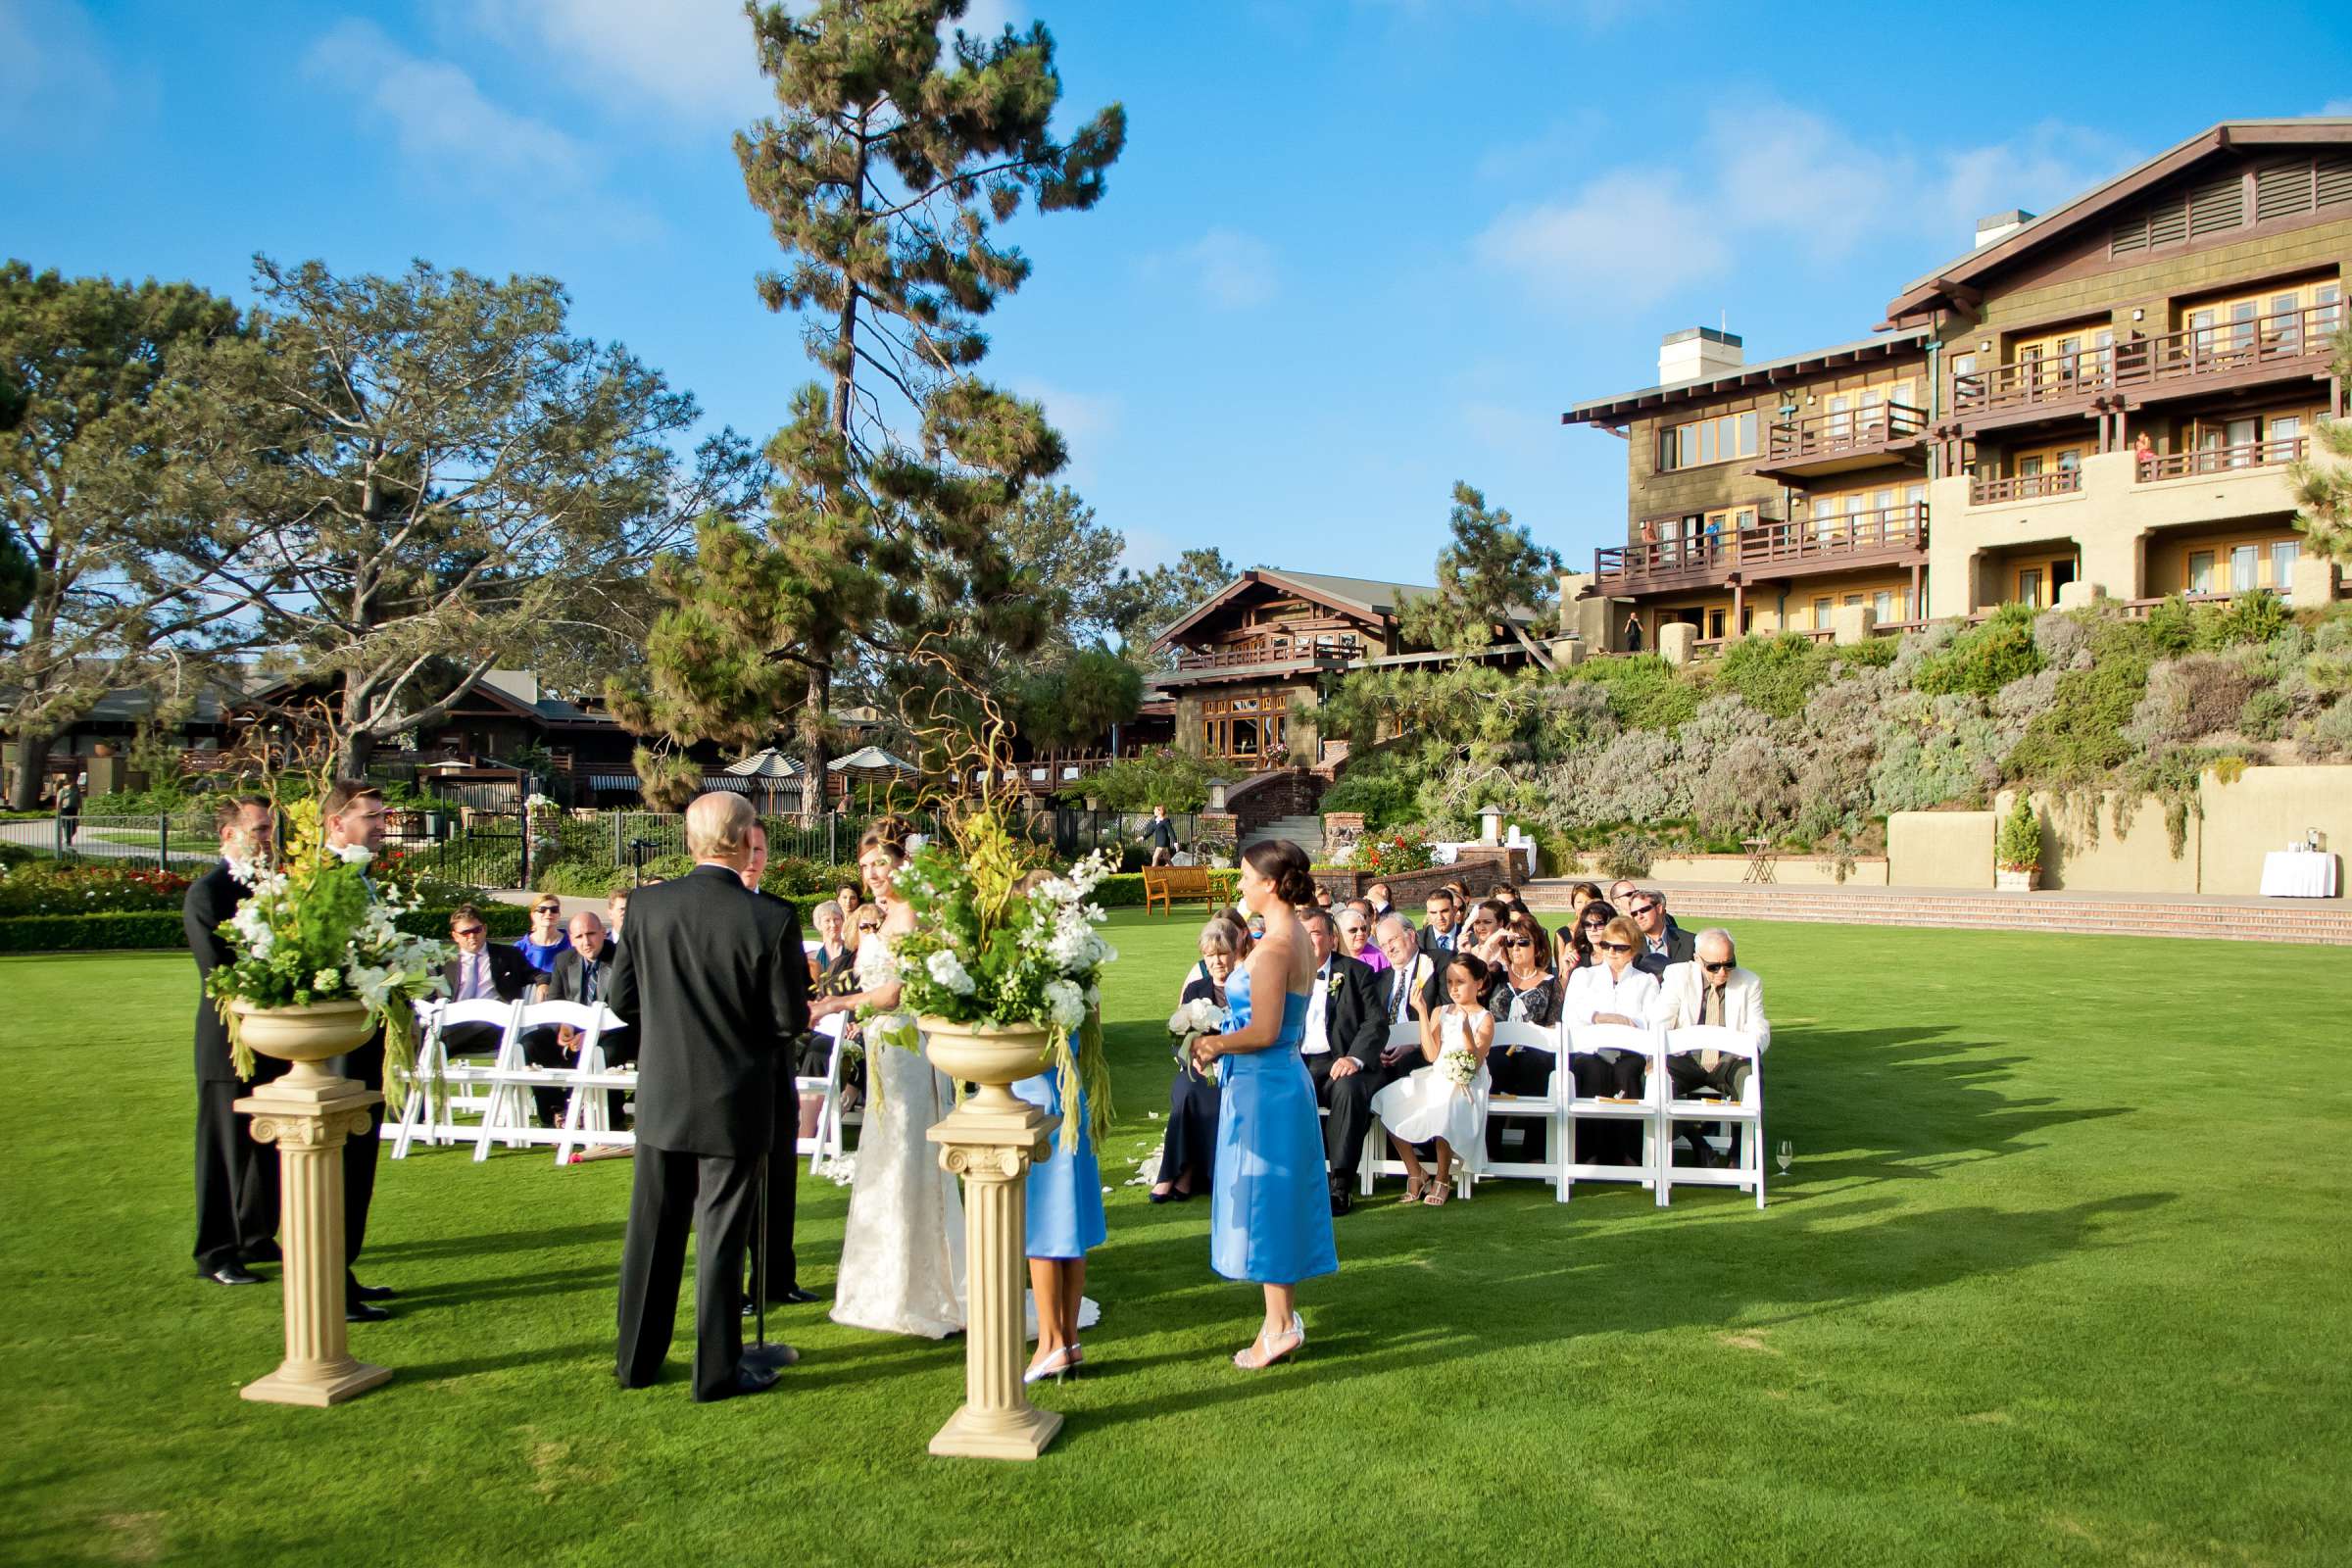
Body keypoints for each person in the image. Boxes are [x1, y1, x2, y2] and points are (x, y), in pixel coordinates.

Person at [608, 792, 807, 1401]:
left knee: (653, 1230)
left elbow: (622, 1002)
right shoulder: (770, 919)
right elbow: (787, 1018)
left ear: (690, 840)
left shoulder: (646, 906)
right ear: (747, 839)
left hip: (665, 1093)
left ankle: (636, 1362)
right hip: (736, 1098)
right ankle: (715, 1370)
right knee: (721, 1234)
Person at [1190, 839, 1336, 1369]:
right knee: (1274, 1198)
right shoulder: (1291, 934)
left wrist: (1214, 1042)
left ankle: (1277, 1328)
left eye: (1247, 875)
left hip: (1266, 1086)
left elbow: (1266, 1030)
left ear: (1271, 884)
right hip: (1272, 1082)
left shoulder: (1276, 947)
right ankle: (1281, 1317)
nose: (1241, 884)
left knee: (1267, 1200)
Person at [817, 827, 966, 1339]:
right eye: (864, 868)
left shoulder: (916, 918)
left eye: (879, 864)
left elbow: (895, 994)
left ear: (903, 864)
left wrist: (836, 1005)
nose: (872, 876)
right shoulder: (880, 920)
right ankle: (882, 1279)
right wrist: (822, 992)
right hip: (883, 1049)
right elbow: (864, 979)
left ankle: (919, 1285)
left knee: (907, 1154)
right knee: (883, 1156)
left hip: (907, 1049)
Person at [184, 795, 286, 1287]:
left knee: (266, 1141)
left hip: (275, 1036)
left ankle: (256, 1233)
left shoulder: (273, 888)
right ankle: (216, 1250)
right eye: (260, 830)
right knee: (224, 1148)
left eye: (270, 830)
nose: (269, 839)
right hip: (227, 1038)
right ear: (230, 835)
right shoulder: (207, 893)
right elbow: (218, 972)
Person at [318, 781, 396, 1320]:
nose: (380, 824)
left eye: (381, 815)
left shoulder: (363, 879)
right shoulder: (326, 881)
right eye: (369, 816)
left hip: (367, 1034)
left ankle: (345, 1272)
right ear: (335, 824)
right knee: (343, 1164)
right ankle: (331, 1283)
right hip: (341, 1041)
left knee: (361, 1164)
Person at [736, 821, 818, 1312]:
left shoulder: (779, 915)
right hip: (730, 1066)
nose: (753, 859)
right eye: (746, 849)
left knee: (781, 1175)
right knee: (739, 1182)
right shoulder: (710, 913)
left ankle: (776, 1278)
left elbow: (796, 996)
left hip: (774, 1063)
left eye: (761, 850)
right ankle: (740, 1285)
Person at [1014, 993, 1107, 1385]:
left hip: (1042, 1102)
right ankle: (1067, 1339)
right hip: (1069, 1097)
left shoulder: (1038, 972)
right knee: (1068, 1228)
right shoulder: (1077, 977)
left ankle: (1051, 1341)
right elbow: (1092, 1025)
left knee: (1044, 1229)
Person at [1370, 954, 1494, 1205]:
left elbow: (1476, 1060)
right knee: (1389, 1099)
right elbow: (1430, 1053)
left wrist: (1467, 1031)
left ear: (1479, 984)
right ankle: (1415, 1171)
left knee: (1445, 1105)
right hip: (1437, 1073)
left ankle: (1442, 1176)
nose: (1453, 988)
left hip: (1467, 1080)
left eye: (1460, 981)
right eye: (1449, 982)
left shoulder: (1485, 1017)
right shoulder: (1441, 1010)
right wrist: (1423, 1013)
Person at [1294, 907, 1388, 1216]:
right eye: (1302, 935)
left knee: (1348, 1091)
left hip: (1341, 1062)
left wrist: (1354, 1057)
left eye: (1315, 933)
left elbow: (1375, 1023)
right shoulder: (1286, 976)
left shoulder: (1356, 973)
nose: (1308, 941)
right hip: (1299, 1063)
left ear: (1332, 939)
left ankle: (1340, 1186)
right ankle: (1283, 1181)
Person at [1650, 929, 1770, 1167]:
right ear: (1697, 959)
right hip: (1685, 1058)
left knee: (1750, 1076)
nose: (1723, 972)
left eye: (1729, 964)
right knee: (1654, 1081)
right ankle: (1698, 1142)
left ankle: (1739, 1153)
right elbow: (1660, 1021)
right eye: (1713, 966)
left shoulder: (1750, 982)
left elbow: (1760, 1028)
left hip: (1728, 1060)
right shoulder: (1677, 975)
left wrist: (1746, 1047)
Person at [1152, 917, 1240, 1203]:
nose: (1216, 961)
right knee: (1186, 1092)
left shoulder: (1246, 989)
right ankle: (1172, 1172)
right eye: (1209, 955)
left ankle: (1190, 1173)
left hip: (1237, 1066)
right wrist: (1194, 1061)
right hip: (1198, 1068)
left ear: (1235, 952)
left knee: (1212, 1095)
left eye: (1222, 953)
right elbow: (1179, 1037)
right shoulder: (1196, 990)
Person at [1563, 913, 1660, 1163]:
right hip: (1590, 1051)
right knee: (1593, 1072)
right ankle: (1589, 1154)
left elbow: (1650, 1021)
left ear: (1633, 950)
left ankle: (1628, 1153)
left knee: (1626, 1074)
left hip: (1630, 1052)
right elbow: (1571, 1017)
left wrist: (1626, 1022)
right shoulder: (1584, 976)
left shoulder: (1645, 982)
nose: (1612, 952)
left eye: (1620, 947)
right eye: (1607, 945)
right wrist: (1598, 1016)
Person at [530, 910, 618, 1130]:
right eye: (579, 937)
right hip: (573, 1029)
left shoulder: (622, 959)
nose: (586, 942)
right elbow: (554, 1002)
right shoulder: (564, 959)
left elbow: (625, 1007)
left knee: (604, 1051)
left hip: (612, 1030)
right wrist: (563, 1026)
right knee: (529, 1045)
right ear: (571, 939)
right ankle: (555, 1110)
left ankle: (591, 1112)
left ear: (602, 933)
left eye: (591, 934)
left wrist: (594, 1033)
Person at [1486, 912, 1561, 1163]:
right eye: (1510, 943)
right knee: (1493, 1063)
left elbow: (1553, 1025)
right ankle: (1489, 1150)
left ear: (1537, 945)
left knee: (1538, 1064)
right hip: (1497, 1049)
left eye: (1523, 942)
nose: (1515, 948)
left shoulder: (1551, 983)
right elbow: (1469, 978)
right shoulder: (1495, 976)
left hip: (1534, 1051)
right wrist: (1491, 944)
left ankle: (1534, 1152)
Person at [438, 905, 535, 1051]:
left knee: (436, 1038)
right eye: (465, 932)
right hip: (454, 1024)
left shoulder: (509, 955)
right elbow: (430, 998)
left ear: (484, 929)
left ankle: (431, 1047)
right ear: (455, 936)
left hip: (495, 1024)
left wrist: (543, 983)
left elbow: (537, 974)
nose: (472, 936)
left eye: (476, 930)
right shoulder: (442, 963)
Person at [1628, 889, 1696, 972]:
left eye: (1644, 910)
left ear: (1659, 909)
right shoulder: (1630, 945)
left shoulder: (1689, 942)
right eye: (1634, 914)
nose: (1639, 917)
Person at [515, 895, 571, 978]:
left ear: (559, 914)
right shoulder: (520, 948)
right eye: (542, 910)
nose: (548, 913)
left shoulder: (572, 944)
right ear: (533, 915)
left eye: (554, 910)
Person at [1335, 903, 1389, 973]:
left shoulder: (1380, 958)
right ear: (1339, 933)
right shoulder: (1329, 957)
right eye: (1353, 930)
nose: (1361, 933)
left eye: (1363, 929)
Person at [808, 898, 849, 982]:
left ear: (842, 921)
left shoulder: (853, 952)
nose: (833, 925)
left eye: (836, 919)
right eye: (827, 920)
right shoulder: (812, 957)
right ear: (819, 924)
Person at [1422, 889, 1460, 955]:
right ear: (1428, 914)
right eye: (1433, 913)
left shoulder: (1471, 938)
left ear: (1454, 910)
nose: (1440, 918)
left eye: (1444, 911)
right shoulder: (1418, 941)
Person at [55, 774, 81, 846]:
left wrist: (81, 810)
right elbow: (58, 802)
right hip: (65, 810)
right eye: (74, 781)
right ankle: (68, 842)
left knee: (74, 828)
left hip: (73, 810)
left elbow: (79, 801)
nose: (75, 782)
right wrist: (58, 812)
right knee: (67, 827)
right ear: (70, 782)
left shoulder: (76, 790)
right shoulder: (62, 791)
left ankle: (68, 840)